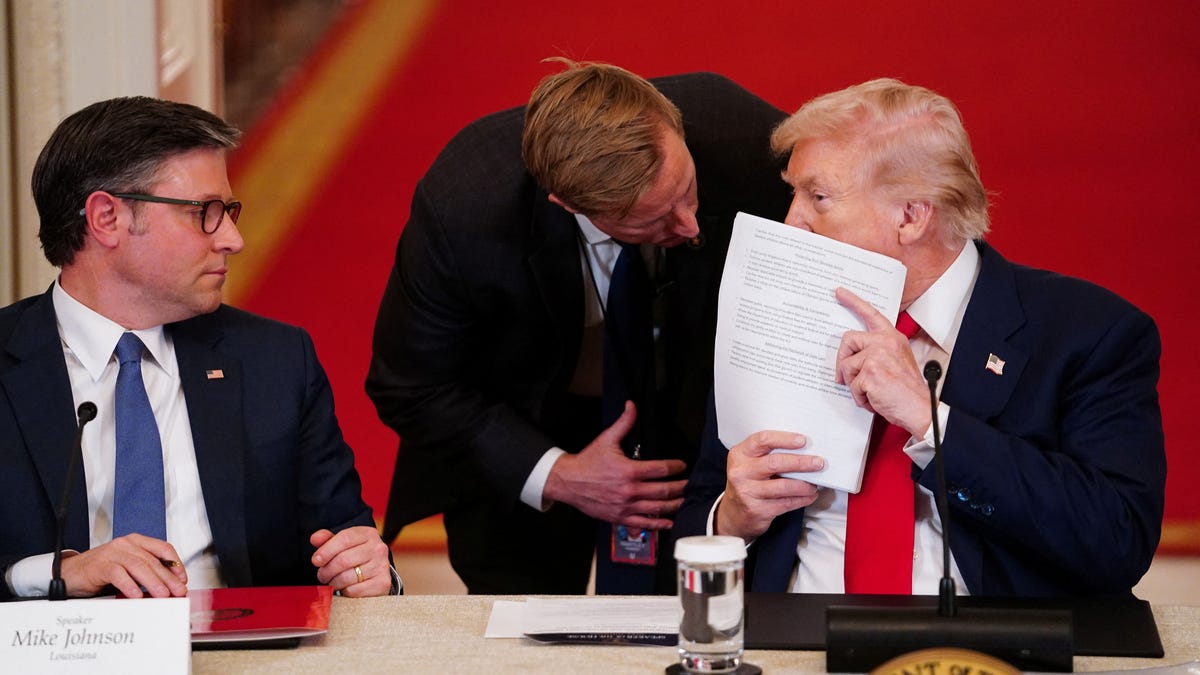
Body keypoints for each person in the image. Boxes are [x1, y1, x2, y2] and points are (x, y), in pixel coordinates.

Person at [675, 78, 1165, 598]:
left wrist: (929, 421)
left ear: (911, 216)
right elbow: (700, 510)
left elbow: (1117, 541)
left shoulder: (1090, 332)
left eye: (818, 197)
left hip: (987, 648)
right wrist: (730, 519)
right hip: (791, 642)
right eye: (792, 193)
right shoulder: (775, 310)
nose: (792, 222)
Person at [366, 60, 790, 594]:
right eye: (652, 220)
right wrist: (558, 473)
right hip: (526, 422)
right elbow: (411, 385)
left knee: (696, 609)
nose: (688, 223)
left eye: (686, 189)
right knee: (521, 621)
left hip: (693, 401)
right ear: (570, 206)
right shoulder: (466, 206)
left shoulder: (744, 136)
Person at [0, 96, 398, 600]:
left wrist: (367, 570)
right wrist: (55, 573)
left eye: (228, 212)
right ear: (106, 218)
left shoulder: (273, 361)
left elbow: (346, 545)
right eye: (204, 213)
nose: (232, 239)